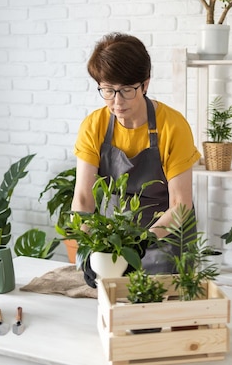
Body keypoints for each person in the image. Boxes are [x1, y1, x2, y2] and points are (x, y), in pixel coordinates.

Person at [71, 32, 201, 282]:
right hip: (114, 244)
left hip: (165, 243)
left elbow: (181, 205)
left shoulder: (173, 126)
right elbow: (84, 197)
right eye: (108, 90)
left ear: (145, 84)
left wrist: (140, 244)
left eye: (126, 90)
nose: (117, 102)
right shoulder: (94, 125)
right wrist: (87, 246)